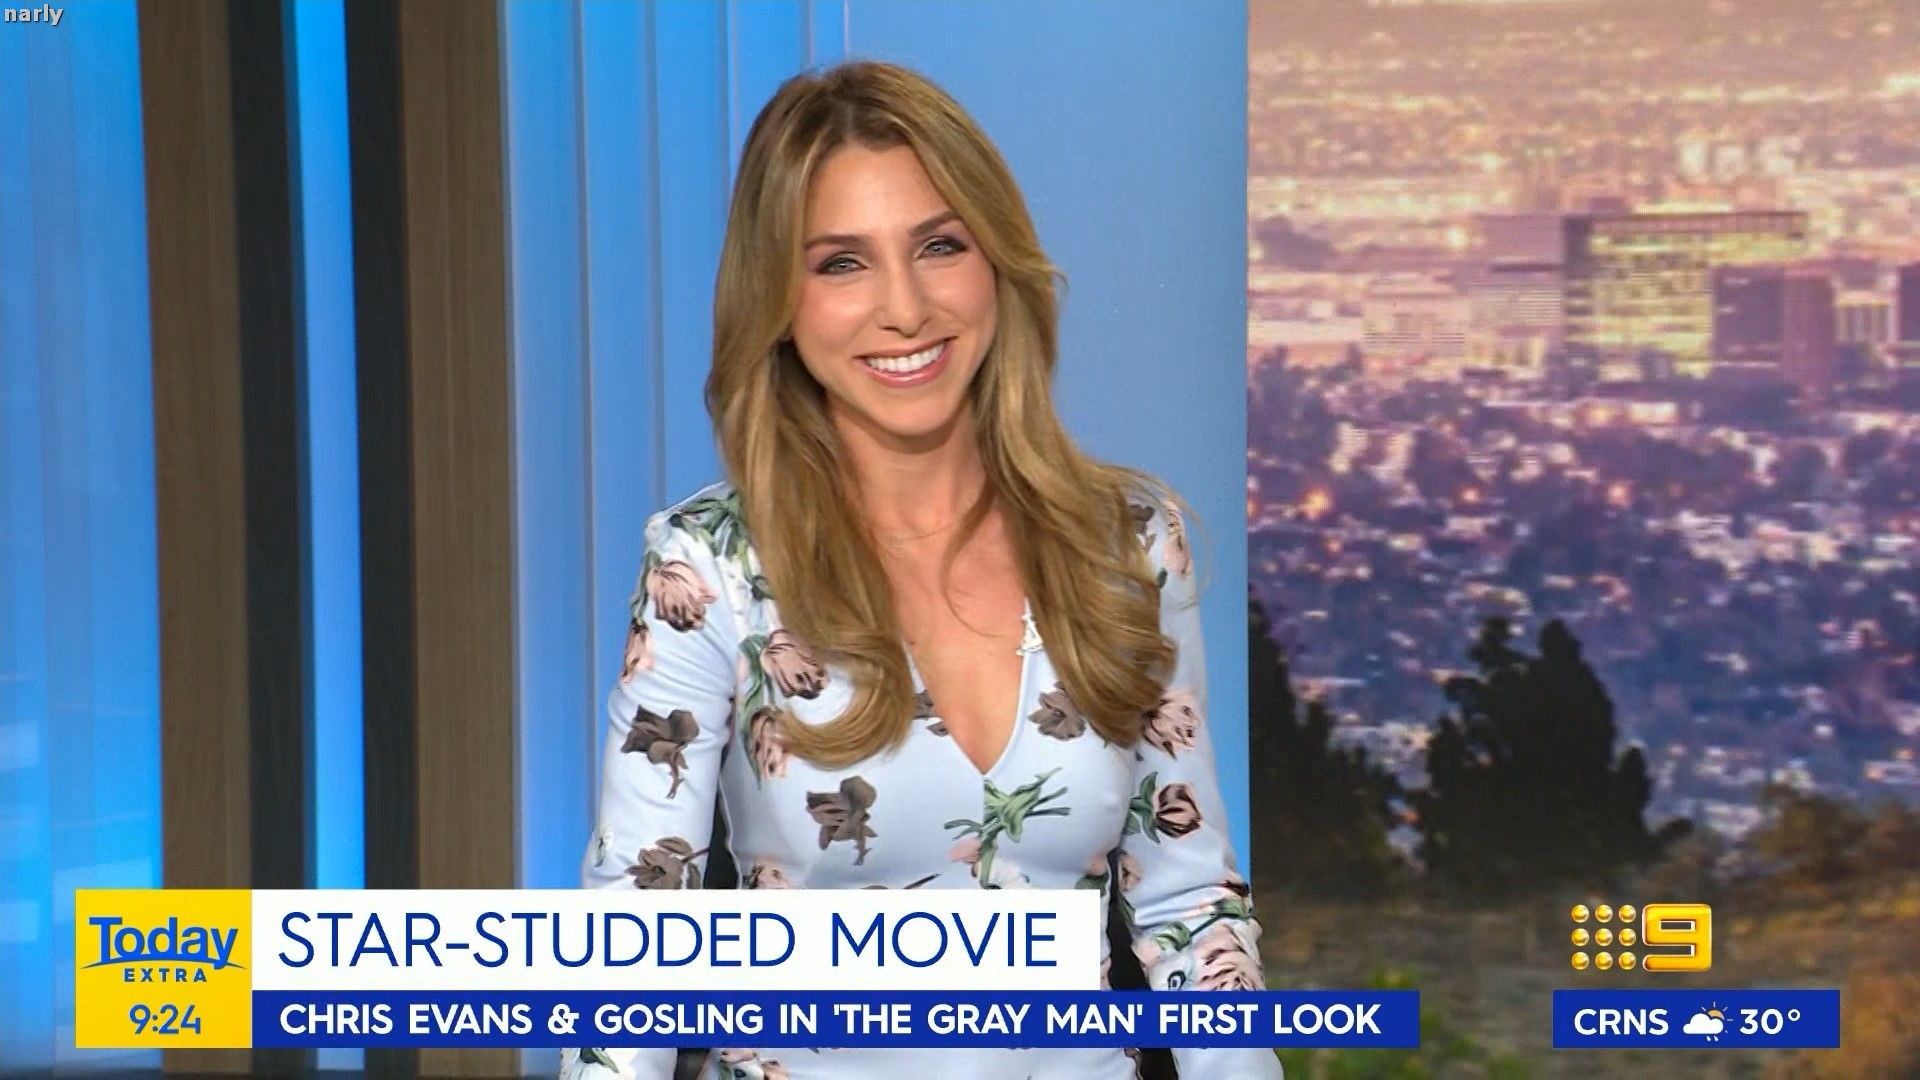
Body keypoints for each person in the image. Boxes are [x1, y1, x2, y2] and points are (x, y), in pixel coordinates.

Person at [561, 60, 1282, 1080]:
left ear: (996, 264)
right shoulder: (709, 564)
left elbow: (1190, 906)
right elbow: (635, 935)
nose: (903, 308)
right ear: (778, 300)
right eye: (841, 264)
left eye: (940, 246)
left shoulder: (1127, 541)